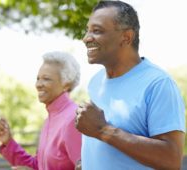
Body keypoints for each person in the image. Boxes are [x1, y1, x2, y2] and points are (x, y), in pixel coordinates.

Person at [75, 1, 186, 170]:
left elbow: (172, 160)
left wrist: (103, 130)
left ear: (126, 37)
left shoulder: (158, 84)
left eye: (96, 31)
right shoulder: (95, 82)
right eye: (88, 30)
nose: (86, 38)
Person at [0, 51, 81, 170]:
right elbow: (39, 166)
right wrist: (8, 142)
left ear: (66, 84)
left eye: (46, 79)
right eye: (38, 78)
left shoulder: (74, 119)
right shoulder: (50, 120)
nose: (38, 84)